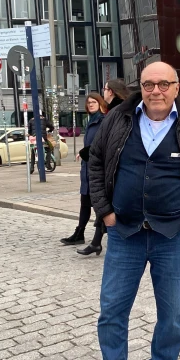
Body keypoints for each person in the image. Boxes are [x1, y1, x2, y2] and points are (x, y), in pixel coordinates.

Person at [78, 61, 180, 360]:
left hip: (173, 235)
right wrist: (105, 213)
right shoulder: (118, 119)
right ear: (140, 87)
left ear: (176, 88)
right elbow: (95, 164)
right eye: (148, 84)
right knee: (112, 309)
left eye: (163, 84)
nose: (155, 90)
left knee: (170, 312)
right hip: (124, 232)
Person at [60, 93, 108, 254]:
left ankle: (97, 240)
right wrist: (83, 153)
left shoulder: (102, 121)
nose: (90, 104)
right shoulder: (90, 121)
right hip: (87, 167)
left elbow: (100, 144)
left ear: (100, 103)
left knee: (99, 206)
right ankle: (79, 233)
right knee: (85, 203)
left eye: (94, 102)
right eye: (88, 102)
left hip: (96, 169)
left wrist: (85, 152)